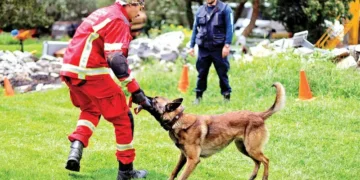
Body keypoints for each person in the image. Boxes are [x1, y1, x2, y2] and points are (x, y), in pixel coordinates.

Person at [60, 0, 151, 179]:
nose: (140, 11)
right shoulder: (119, 20)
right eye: (140, 5)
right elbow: (116, 60)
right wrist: (136, 91)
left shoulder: (104, 12)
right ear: (130, 3)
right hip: (90, 72)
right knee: (124, 118)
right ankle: (126, 172)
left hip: (70, 70)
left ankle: (76, 149)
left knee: (90, 110)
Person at [189, 0, 234, 104]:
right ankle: (198, 98)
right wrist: (191, 46)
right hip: (203, 49)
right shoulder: (200, 10)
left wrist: (227, 45)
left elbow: (230, 27)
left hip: (219, 48)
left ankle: (226, 97)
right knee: (201, 74)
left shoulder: (225, 9)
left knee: (222, 74)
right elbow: (195, 29)